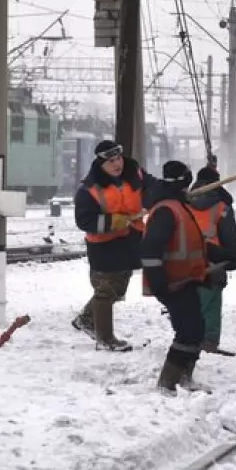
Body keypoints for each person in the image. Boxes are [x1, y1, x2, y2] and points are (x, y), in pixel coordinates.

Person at [141, 161, 236, 394]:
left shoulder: (180, 207)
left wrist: (225, 256)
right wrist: (159, 282)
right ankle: (167, 383)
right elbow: (150, 250)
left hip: (188, 278)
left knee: (196, 330)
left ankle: (184, 378)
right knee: (188, 331)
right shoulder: (166, 211)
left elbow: (196, 243)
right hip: (172, 281)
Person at [71, 140, 152, 352]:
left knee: (118, 288)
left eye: (118, 159)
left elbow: (153, 188)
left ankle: (86, 319)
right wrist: (111, 222)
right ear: (101, 164)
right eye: (111, 162)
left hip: (129, 241)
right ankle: (105, 338)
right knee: (105, 290)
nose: (117, 164)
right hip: (103, 246)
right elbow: (84, 220)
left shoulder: (136, 174)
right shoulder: (89, 190)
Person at [189, 165, 236, 353]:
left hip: (184, 259)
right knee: (211, 301)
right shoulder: (221, 206)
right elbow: (230, 235)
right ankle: (208, 342)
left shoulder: (184, 201)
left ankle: (189, 338)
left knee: (191, 302)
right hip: (212, 261)